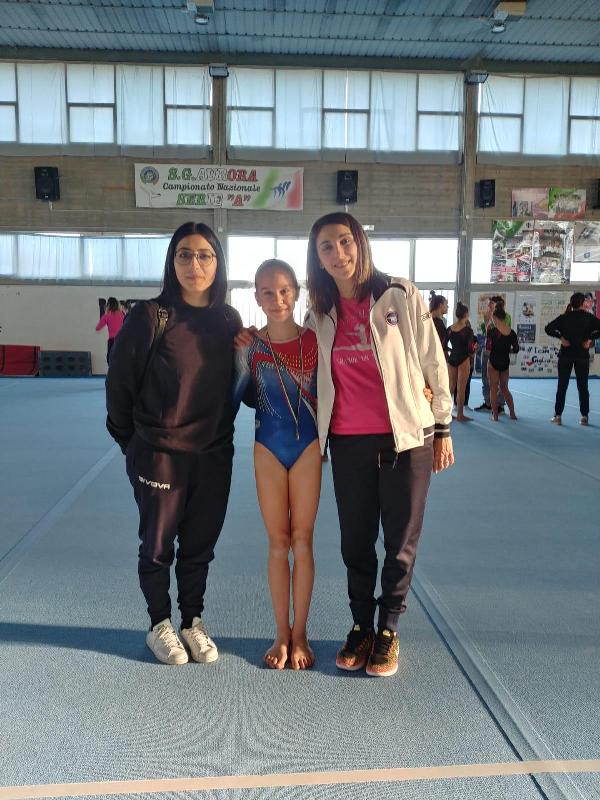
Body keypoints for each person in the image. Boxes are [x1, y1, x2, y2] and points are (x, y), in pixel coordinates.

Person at [305, 212, 453, 678]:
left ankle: (388, 628)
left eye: (345, 241)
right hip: (348, 443)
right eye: (326, 246)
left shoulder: (399, 294)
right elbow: (304, 367)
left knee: (400, 541)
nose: (338, 253)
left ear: (360, 244)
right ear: (318, 258)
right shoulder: (319, 312)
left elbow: (432, 360)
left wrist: (443, 426)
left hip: (406, 439)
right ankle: (360, 626)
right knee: (355, 542)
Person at [105, 222, 242, 665]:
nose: (194, 264)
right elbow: (119, 384)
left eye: (205, 255)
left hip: (214, 453)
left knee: (200, 546)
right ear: (172, 261)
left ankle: (192, 620)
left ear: (218, 263)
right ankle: (159, 622)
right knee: (158, 545)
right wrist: (133, 444)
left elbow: (240, 386)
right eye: (184, 254)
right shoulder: (151, 315)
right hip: (158, 453)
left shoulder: (228, 320)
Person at [233, 260, 320, 671]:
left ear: (297, 293)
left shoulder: (316, 341)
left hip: (308, 447)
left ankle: (299, 632)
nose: (277, 299)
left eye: (284, 290)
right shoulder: (249, 346)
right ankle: (280, 633)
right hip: (267, 447)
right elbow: (230, 397)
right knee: (278, 542)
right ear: (256, 298)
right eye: (267, 292)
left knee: (303, 540)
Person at [545, 291, 600, 426]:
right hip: (582, 356)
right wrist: (590, 339)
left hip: (566, 355)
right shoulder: (588, 317)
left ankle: (558, 416)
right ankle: (584, 417)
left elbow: (548, 328)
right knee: (583, 387)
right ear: (583, 303)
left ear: (572, 303)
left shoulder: (565, 317)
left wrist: (561, 337)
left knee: (562, 386)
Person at [475, 295, 511, 414]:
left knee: (501, 381)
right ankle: (488, 402)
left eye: (491, 303)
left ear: (497, 305)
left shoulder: (506, 317)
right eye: (489, 303)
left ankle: (500, 405)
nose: (489, 305)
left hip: (500, 351)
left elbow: (505, 332)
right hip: (487, 349)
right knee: (485, 377)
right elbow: (486, 332)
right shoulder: (486, 316)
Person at [487, 306, 519, 422]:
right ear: (504, 318)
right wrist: (507, 349)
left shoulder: (492, 331)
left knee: (493, 389)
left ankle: (495, 416)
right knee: (505, 389)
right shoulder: (512, 333)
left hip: (493, 362)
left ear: (495, 317)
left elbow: (488, 349)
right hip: (505, 362)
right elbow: (516, 349)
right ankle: (512, 413)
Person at [446, 302, 477, 422]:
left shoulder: (450, 329)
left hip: (452, 358)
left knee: (450, 388)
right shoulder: (468, 330)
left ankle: (445, 414)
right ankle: (460, 415)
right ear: (466, 315)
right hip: (464, 359)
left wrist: (451, 351)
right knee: (461, 389)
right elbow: (470, 349)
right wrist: (474, 350)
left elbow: (443, 345)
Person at [95, 296, 124, 364]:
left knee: (110, 359)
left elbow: (97, 328)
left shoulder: (107, 316)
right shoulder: (122, 315)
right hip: (122, 340)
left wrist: (105, 316)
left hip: (112, 340)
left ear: (108, 305)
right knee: (121, 358)